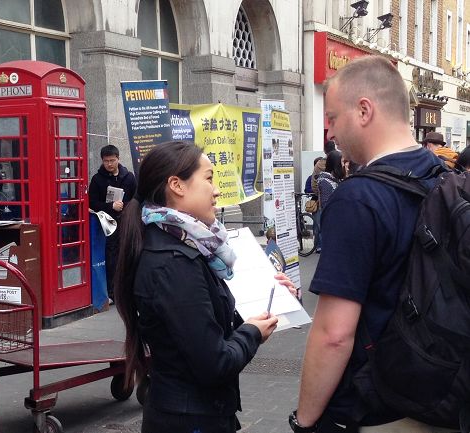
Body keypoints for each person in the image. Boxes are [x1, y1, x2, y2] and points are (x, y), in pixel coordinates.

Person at [290, 56, 452, 433]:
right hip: (445, 391)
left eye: (332, 118)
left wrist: (306, 419)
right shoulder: (447, 179)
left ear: (364, 111)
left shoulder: (359, 198)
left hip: (379, 405)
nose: (329, 133)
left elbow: (334, 334)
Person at [114, 141, 295, 433]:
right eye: (209, 178)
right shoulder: (173, 262)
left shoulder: (186, 246)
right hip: (188, 419)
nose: (217, 190)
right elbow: (215, 362)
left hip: (198, 412)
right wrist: (251, 332)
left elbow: (209, 322)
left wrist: (269, 306)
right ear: (177, 185)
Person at [88, 144, 136, 302]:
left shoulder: (129, 177)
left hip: (126, 221)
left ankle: (128, 289)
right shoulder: (97, 179)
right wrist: (111, 206)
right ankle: (112, 291)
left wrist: (126, 206)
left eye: (112, 160)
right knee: (111, 256)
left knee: (127, 255)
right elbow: (92, 202)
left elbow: (136, 200)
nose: (109, 164)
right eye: (106, 161)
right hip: (106, 224)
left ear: (118, 159)